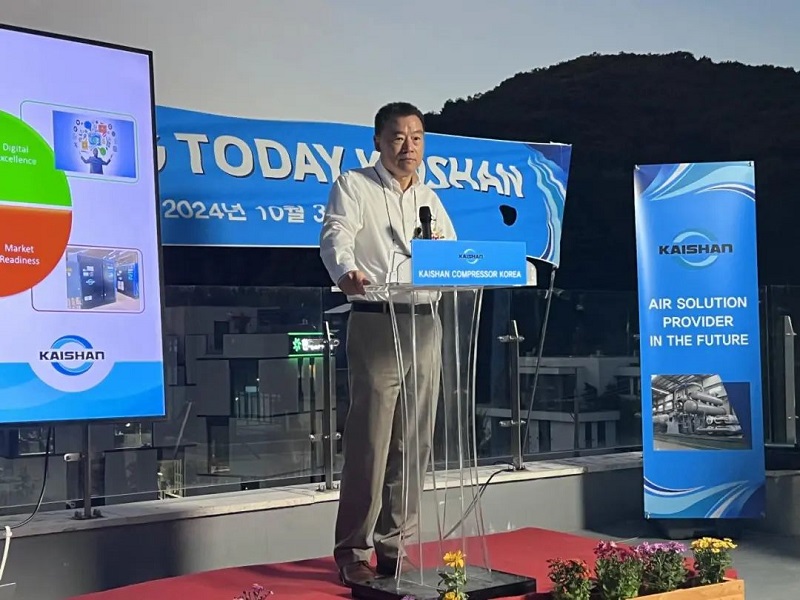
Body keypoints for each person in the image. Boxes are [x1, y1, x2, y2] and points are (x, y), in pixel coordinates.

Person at [319, 102, 457, 586]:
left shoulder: (429, 197)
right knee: (371, 441)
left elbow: (453, 255)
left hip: (425, 323)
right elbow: (335, 235)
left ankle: (395, 546)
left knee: (414, 443)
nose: (408, 147)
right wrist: (345, 271)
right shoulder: (354, 185)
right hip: (378, 320)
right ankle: (352, 549)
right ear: (378, 141)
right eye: (398, 137)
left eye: (416, 137)